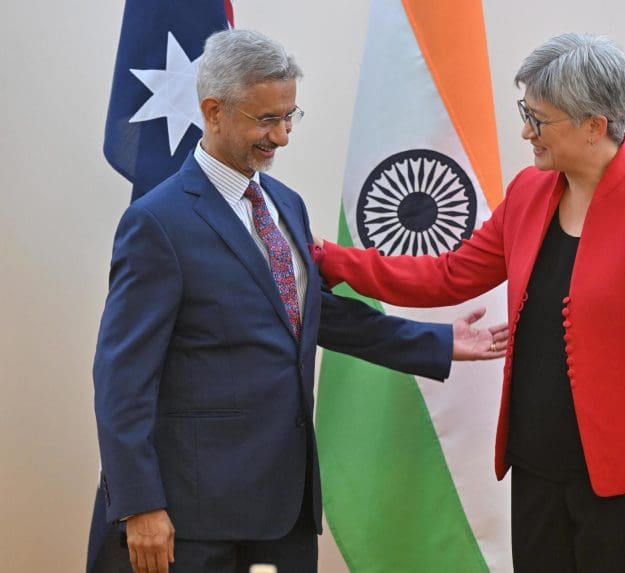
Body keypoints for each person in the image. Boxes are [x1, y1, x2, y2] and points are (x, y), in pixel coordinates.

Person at [90, 28, 507, 573]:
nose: (283, 137)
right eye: (267, 120)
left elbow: (308, 314)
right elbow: (121, 377)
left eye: (290, 117)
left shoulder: (285, 204)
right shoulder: (157, 222)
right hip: (194, 515)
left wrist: (439, 341)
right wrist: (140, 504)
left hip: (285, 506)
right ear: (214, 111)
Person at [312, 33, 625, 572]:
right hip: (535, 473)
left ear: (594, 125)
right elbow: (447, 276)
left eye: (539, 119)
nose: (526, 131)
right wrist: (328, 259)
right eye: (526, 113)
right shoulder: (529, 191)